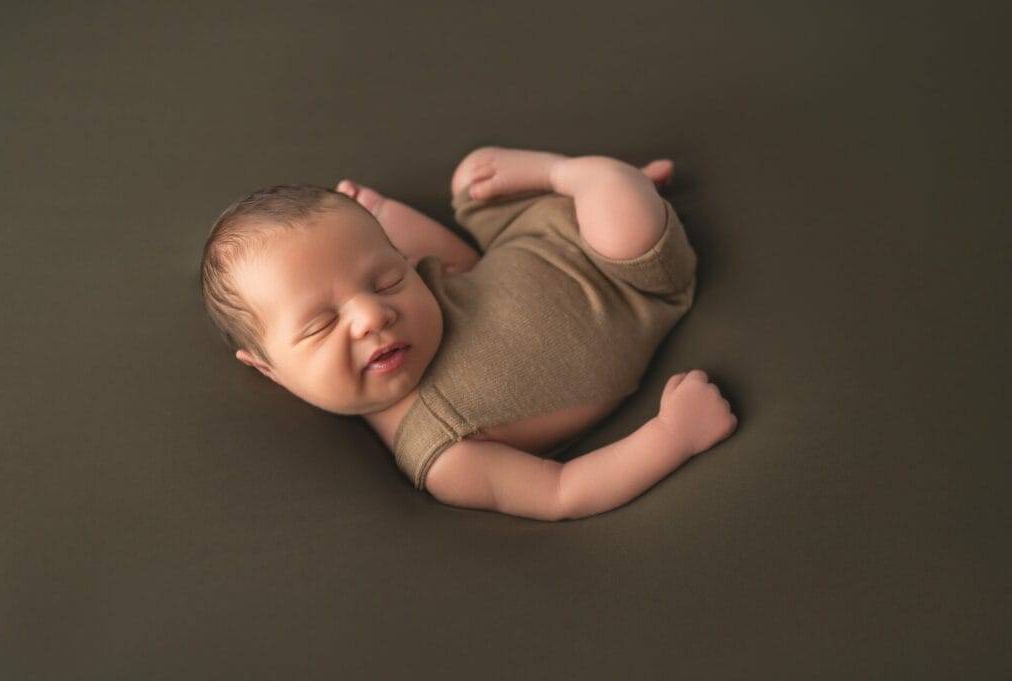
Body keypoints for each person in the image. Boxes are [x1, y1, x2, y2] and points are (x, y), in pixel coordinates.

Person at [199, 146, 737, 521]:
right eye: (321, 324)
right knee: (623, 212)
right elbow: (561, 491)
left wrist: (387, 214)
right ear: (267, 367)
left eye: (387, 277)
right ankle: (604, 179)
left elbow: (463, 261)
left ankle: (568, 175)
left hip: (527, 235)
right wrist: (672, 437)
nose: (372, 316)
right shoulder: (445, 454)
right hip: (630, 279)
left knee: (473, 177)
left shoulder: (422, 298)